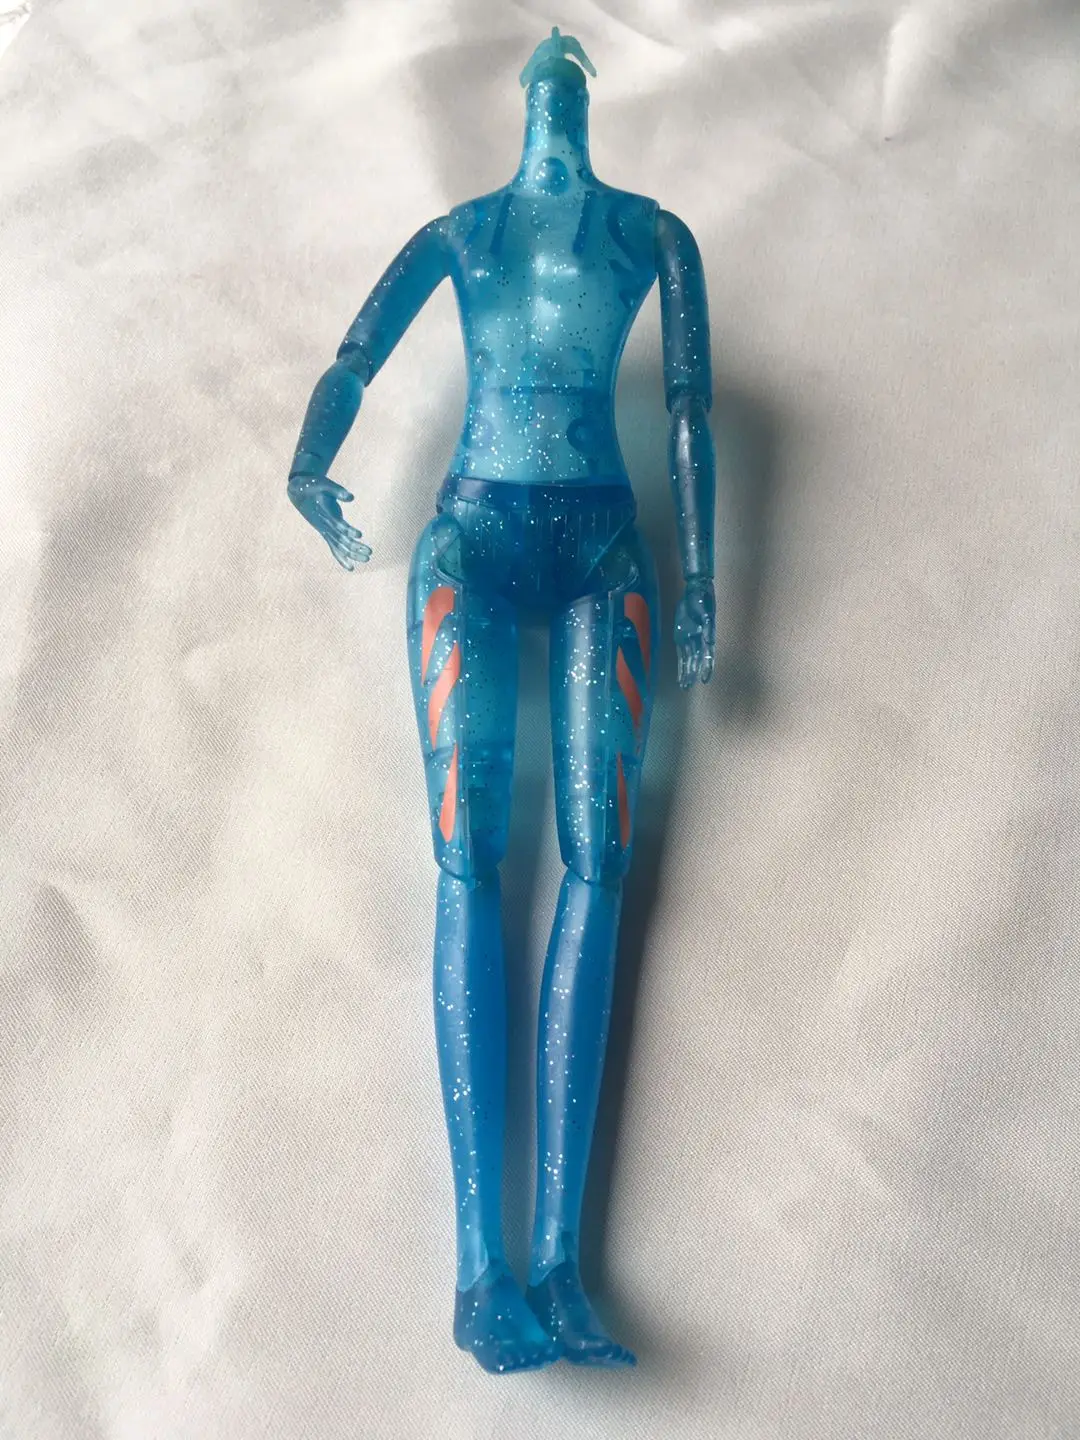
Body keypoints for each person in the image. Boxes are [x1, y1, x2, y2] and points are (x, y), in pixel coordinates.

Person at [287, 28, 715, 1373]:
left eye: (569, 87)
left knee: (601, 856)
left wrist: (705, 578)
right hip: (471, 540)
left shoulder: (654, 236)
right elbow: (355, 357)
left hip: (603, 546)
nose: (556, 105)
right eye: (548, 88)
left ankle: (560, 1268)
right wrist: (309, 468)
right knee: (469, 856)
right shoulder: (462, 233)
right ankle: (484, 1271)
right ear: (531, 102)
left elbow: (691, 412)